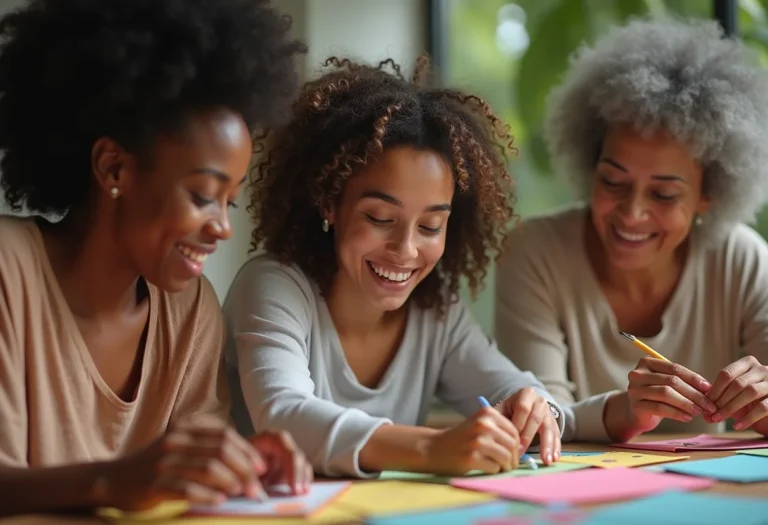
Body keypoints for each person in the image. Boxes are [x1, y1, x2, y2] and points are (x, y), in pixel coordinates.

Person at [0, 0, 312, 517]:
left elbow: (181, 479)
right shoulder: (10, 272)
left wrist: (239, 468)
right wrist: (114, 481)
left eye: (230, 201)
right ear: (114, 168)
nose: (223, 227)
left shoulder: (191, 310)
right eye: (202, 196)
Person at [223, 56, 566, 480]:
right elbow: (284, 416)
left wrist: (537, 405)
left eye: (430, 226)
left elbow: (515, 390)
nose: (404, 249)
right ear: (329, 202)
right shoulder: (273, 286)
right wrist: (430, 446)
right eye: (379, 218)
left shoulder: (435, 311)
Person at [494, 17, 768, 444]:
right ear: (590, 167)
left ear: (708, 195)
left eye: (663, 195)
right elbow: (538, 420)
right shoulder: (536, 252)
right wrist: (625, 413)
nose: (632, 213)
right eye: (613, 182)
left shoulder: (743, 260)